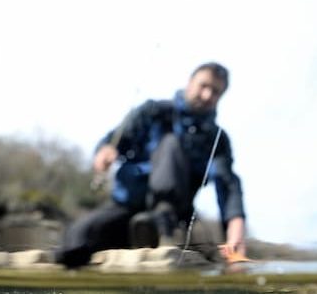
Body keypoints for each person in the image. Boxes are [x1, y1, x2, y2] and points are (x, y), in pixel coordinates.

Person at [55, 62, 246, 268]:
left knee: (170, 144)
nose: (208, 95)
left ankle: (161, 225)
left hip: (175, 215)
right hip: (126, 207)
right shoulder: (151, 111)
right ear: (190, 83)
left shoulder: (218, 139)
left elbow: (228, 185)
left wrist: (235, 228)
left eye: (216, 92)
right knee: (77, 237)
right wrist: (104, 152)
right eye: (204, 86)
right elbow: (114, 140)